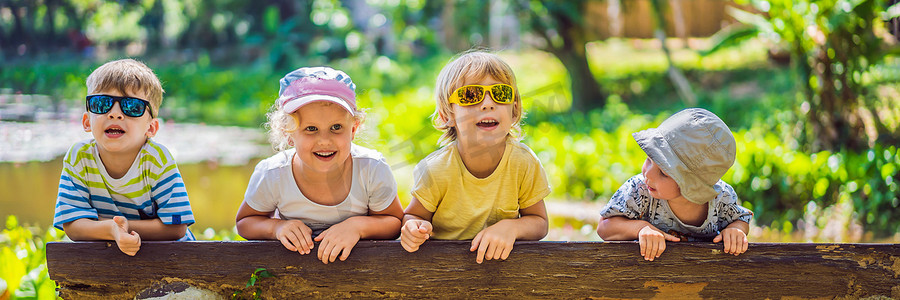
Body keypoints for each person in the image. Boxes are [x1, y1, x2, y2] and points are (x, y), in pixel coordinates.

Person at [235, 67, 404, 264]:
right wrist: (276, 228)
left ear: (353, 129)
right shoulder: (273, 174)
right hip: (294, 271)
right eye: (311, 129)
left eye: (336, 128)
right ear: (288, 133)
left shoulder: (371, 169)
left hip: (361, 270)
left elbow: (394, 223)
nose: (324, 141)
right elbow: (245, 223)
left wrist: (357, 226)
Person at [400, 51, 550, 264]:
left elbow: (539, 222)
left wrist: (511, 227)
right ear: (447, 115)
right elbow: (414, 216)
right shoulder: (436, 170)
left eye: (501, 94)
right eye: (470, 95)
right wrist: (414, 228)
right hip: (444, 269)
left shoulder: (523, 162)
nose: (488, 104)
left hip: (504, 269)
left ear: (514, 110)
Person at [53, 59, 195, 256]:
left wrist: (124, 227)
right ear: (87, 121)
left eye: (132, 107)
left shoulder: (156, 161)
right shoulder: (79, 158)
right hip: (109, 261)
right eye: (102, 104)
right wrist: (113, 230)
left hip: (171, 258)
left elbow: (176, 226)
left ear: (151, 128)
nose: (115, 114)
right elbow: (72, 225)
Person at [596, 108, 753, 261]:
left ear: (692, 186)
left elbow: (741, 219)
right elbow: (604, 228)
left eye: (664, 173)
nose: (647, 174)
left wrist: (736, 230)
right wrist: (640, 228)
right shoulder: (639, 190)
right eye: (649, 159)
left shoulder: (721, 198)